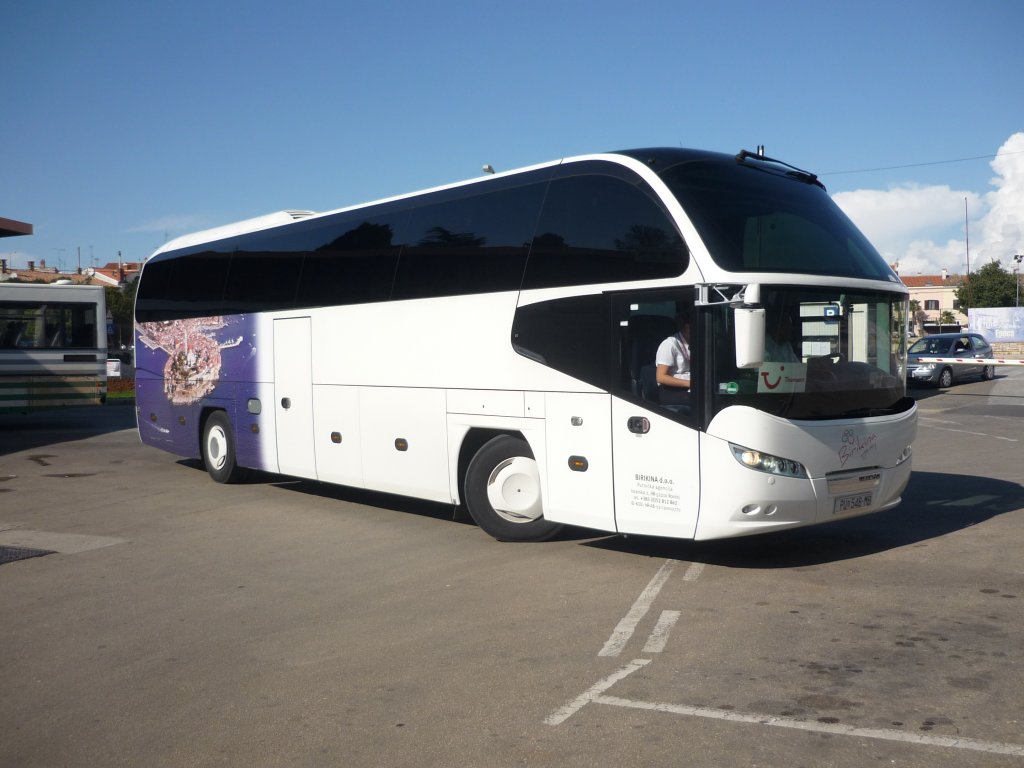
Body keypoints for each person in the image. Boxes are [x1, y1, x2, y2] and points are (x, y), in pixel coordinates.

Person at [655, 315, 691, 404]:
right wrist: (689, 383)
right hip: (671, 390)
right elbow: (661, 377)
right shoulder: (670, 344)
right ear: (687, 327)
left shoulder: (694, 343)